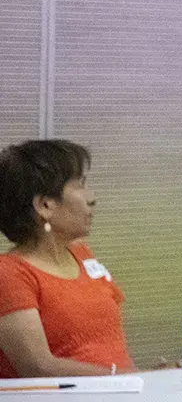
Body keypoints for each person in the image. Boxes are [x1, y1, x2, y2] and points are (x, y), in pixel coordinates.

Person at [0, 140, 133, 378]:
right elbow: (38, 367)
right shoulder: (9, 274)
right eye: (80, 185)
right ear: (44, 205)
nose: (92, 198)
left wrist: (149, 378)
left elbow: (108, 349)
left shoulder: (82, 255)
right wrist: (129, 379)